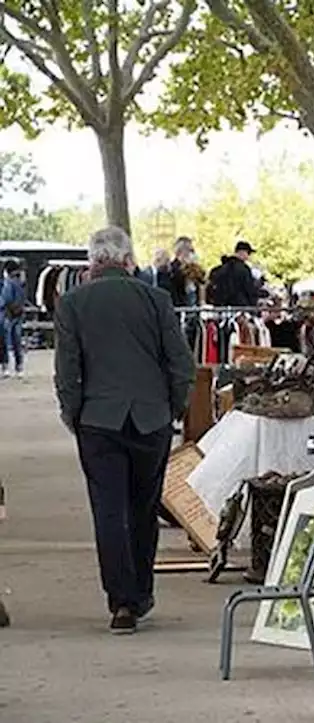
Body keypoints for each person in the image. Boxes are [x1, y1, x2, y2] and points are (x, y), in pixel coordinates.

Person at [54, 227, 196, 634]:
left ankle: (121, 602)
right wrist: (172, 407)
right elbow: (181, 364)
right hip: (150, 420)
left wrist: (72, 413)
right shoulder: (157, 299)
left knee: (108, 511)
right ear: (128, 258)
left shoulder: (73, 303)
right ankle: (141, 591)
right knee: (143, 509)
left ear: (91, 260)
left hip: (98, 421)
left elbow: (68, 370)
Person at [217, 240, 263, 307]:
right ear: (242, 252)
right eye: (248, 253)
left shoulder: (220, 269)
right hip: (241, 306)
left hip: (222, 307)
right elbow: (249, 289)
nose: (248, 256)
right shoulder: (244, 269)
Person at [1, 260, 26, 379]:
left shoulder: (8, 283)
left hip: (7, 314)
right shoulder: (21, 282)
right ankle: (19, 367)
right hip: (18, 313)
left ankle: (5, 367)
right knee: (17, 340)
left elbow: (5, 299)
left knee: (4, 341)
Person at [167, 237, 202, 308]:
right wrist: (186, 267)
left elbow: (201, 281)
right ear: (181, 251)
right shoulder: (172, 268)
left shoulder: (194, 268)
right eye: (190, 250)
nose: (192, 253)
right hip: (180, 306)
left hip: (193, 305)